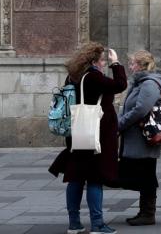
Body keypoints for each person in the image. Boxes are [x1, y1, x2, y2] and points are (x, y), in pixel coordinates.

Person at [49, 42, 127, 234]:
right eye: (102, 61)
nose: (104, 64)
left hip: (78, 131)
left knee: (76, 177)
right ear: (93, 61)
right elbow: (120, 84)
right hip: (95, 134)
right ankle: (98, 224)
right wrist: (116, 63)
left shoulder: (73, 76)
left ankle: (74, 223)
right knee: (94, 178)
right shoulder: (92, 77)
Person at [117, 50, 161, 226]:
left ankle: (148, 213)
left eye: (132, 64)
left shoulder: (148, 84)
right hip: (138, 137)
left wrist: (120, 123)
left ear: (141, 65)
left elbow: (140, 110)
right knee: (145, 173)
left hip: (144, 138)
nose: (130, 67)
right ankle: (144, 211)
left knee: (147, 174)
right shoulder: (141, 83)